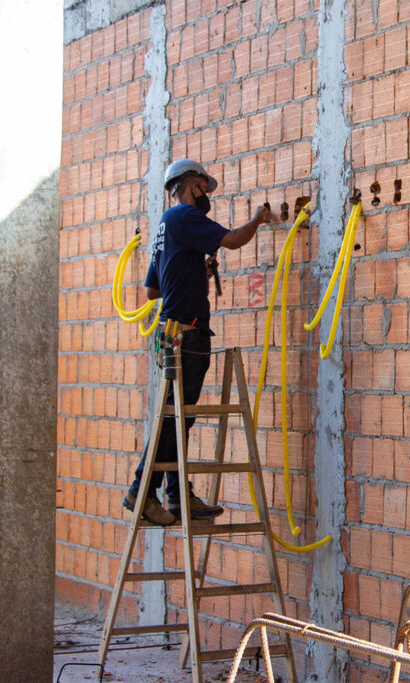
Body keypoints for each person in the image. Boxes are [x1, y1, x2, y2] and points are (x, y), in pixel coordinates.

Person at [123, 159, 271, 526]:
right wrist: (258, 218)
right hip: (186, 335)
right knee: (175, 420)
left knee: (178, 419)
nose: (208, 198)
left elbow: (152, 290)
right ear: (193, 187)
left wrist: (193, 270)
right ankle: (142, 491)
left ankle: (176, 496)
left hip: (172, 333)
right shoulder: (185, 217)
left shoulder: (165, 224)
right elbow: (234, 241)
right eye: (206, 190)